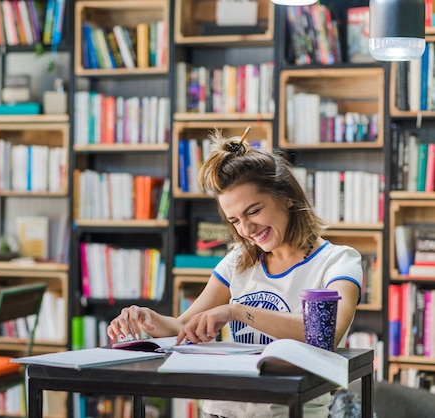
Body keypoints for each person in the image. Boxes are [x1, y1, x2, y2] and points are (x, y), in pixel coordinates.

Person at [107, 130, 363, 418]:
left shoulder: (338, 262)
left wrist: (237, 311)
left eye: (253, 211)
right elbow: (184, 328)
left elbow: (324, 334)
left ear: (287, 197)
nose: (246, 229)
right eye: (234, 220)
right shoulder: (237, 262)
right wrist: (150, 319)